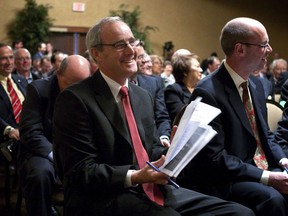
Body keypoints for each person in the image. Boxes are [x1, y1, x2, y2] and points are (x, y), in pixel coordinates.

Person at [53, 16, 254, 216]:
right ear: (96, 53)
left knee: (240, 213)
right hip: (104, 197)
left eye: (133, 42)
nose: (132, 51)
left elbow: (150, 150)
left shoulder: (142, 96)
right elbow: (81, 172)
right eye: (120, 44)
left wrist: (172, 152)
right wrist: (136, 176)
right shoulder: (75, 99)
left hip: (152, 188)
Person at [177, 17, 288, 216]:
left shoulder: (256, 85)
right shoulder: (207, 92)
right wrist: (267, 177)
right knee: (273, 199)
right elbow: (214, 159)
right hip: (226, 179)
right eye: (263, 44)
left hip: (259, 168)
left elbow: (266, 137)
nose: (269, 50)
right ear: (240, 49)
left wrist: (283, 161)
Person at [18, 55, 91, 216]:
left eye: (82, 84)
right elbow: (31, 132)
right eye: (71, 84)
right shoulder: (38, 90)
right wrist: (56, 156)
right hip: (44, 151)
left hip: (76, 151)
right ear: (58, 74)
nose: (77, 91)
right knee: (40, 174)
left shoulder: (89, 91)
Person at [131, 44, 171, 147]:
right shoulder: (119, 84)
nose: (145, 61)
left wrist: (163, 136)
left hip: (154, 145)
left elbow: (162, 116)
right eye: (139, 57)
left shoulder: (153, 83)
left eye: (143, 56)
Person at [0, 43, 27, 157]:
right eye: (4, 58)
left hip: (28, 130)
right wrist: (9, 130)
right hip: (7, 136)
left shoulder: (21, 80)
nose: (9, 62)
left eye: (11, 57)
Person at [164, 52, 202, 124]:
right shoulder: (173, 90)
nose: (201, 70)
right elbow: (180, 117)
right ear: (185, 71)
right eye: (197, 67)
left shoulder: (201, 89)